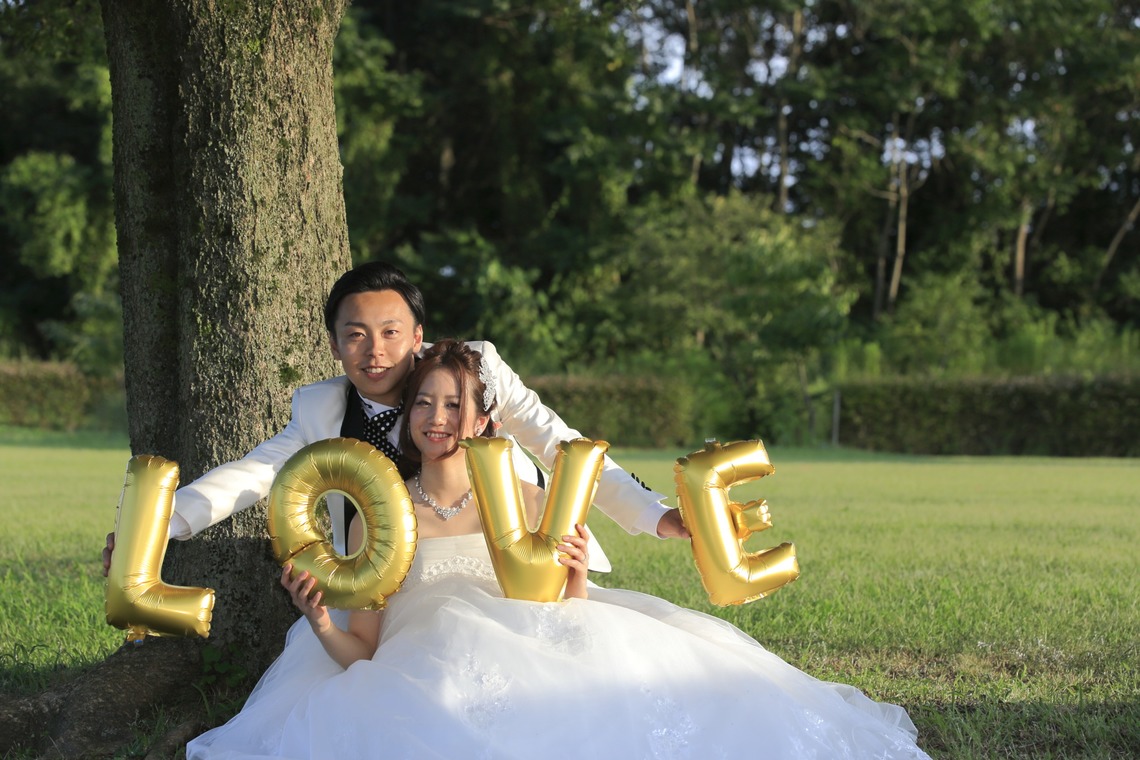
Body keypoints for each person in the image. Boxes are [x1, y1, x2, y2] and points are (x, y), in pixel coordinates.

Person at [187, 341, 932, 759]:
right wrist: (319, 622)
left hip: (534, 643)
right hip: (417, 668)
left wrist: (576, 576)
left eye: (454, 405)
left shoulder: (528, 492)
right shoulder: (373, 511)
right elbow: (369, 654)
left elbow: (562, 611)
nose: (436, 418)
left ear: (483, 421)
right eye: (423, 403)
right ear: (405, 415)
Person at [102, 261, 686, 572]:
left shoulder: (477, 370)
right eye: (355, 336)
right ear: (335, 346)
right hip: (396, 583)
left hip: (519, 558)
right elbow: (248, 478)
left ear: (419, 337)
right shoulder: (320, 410)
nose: (374, 352)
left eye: (390, 333)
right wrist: (152, 529)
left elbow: (562, 445)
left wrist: (656, 516)